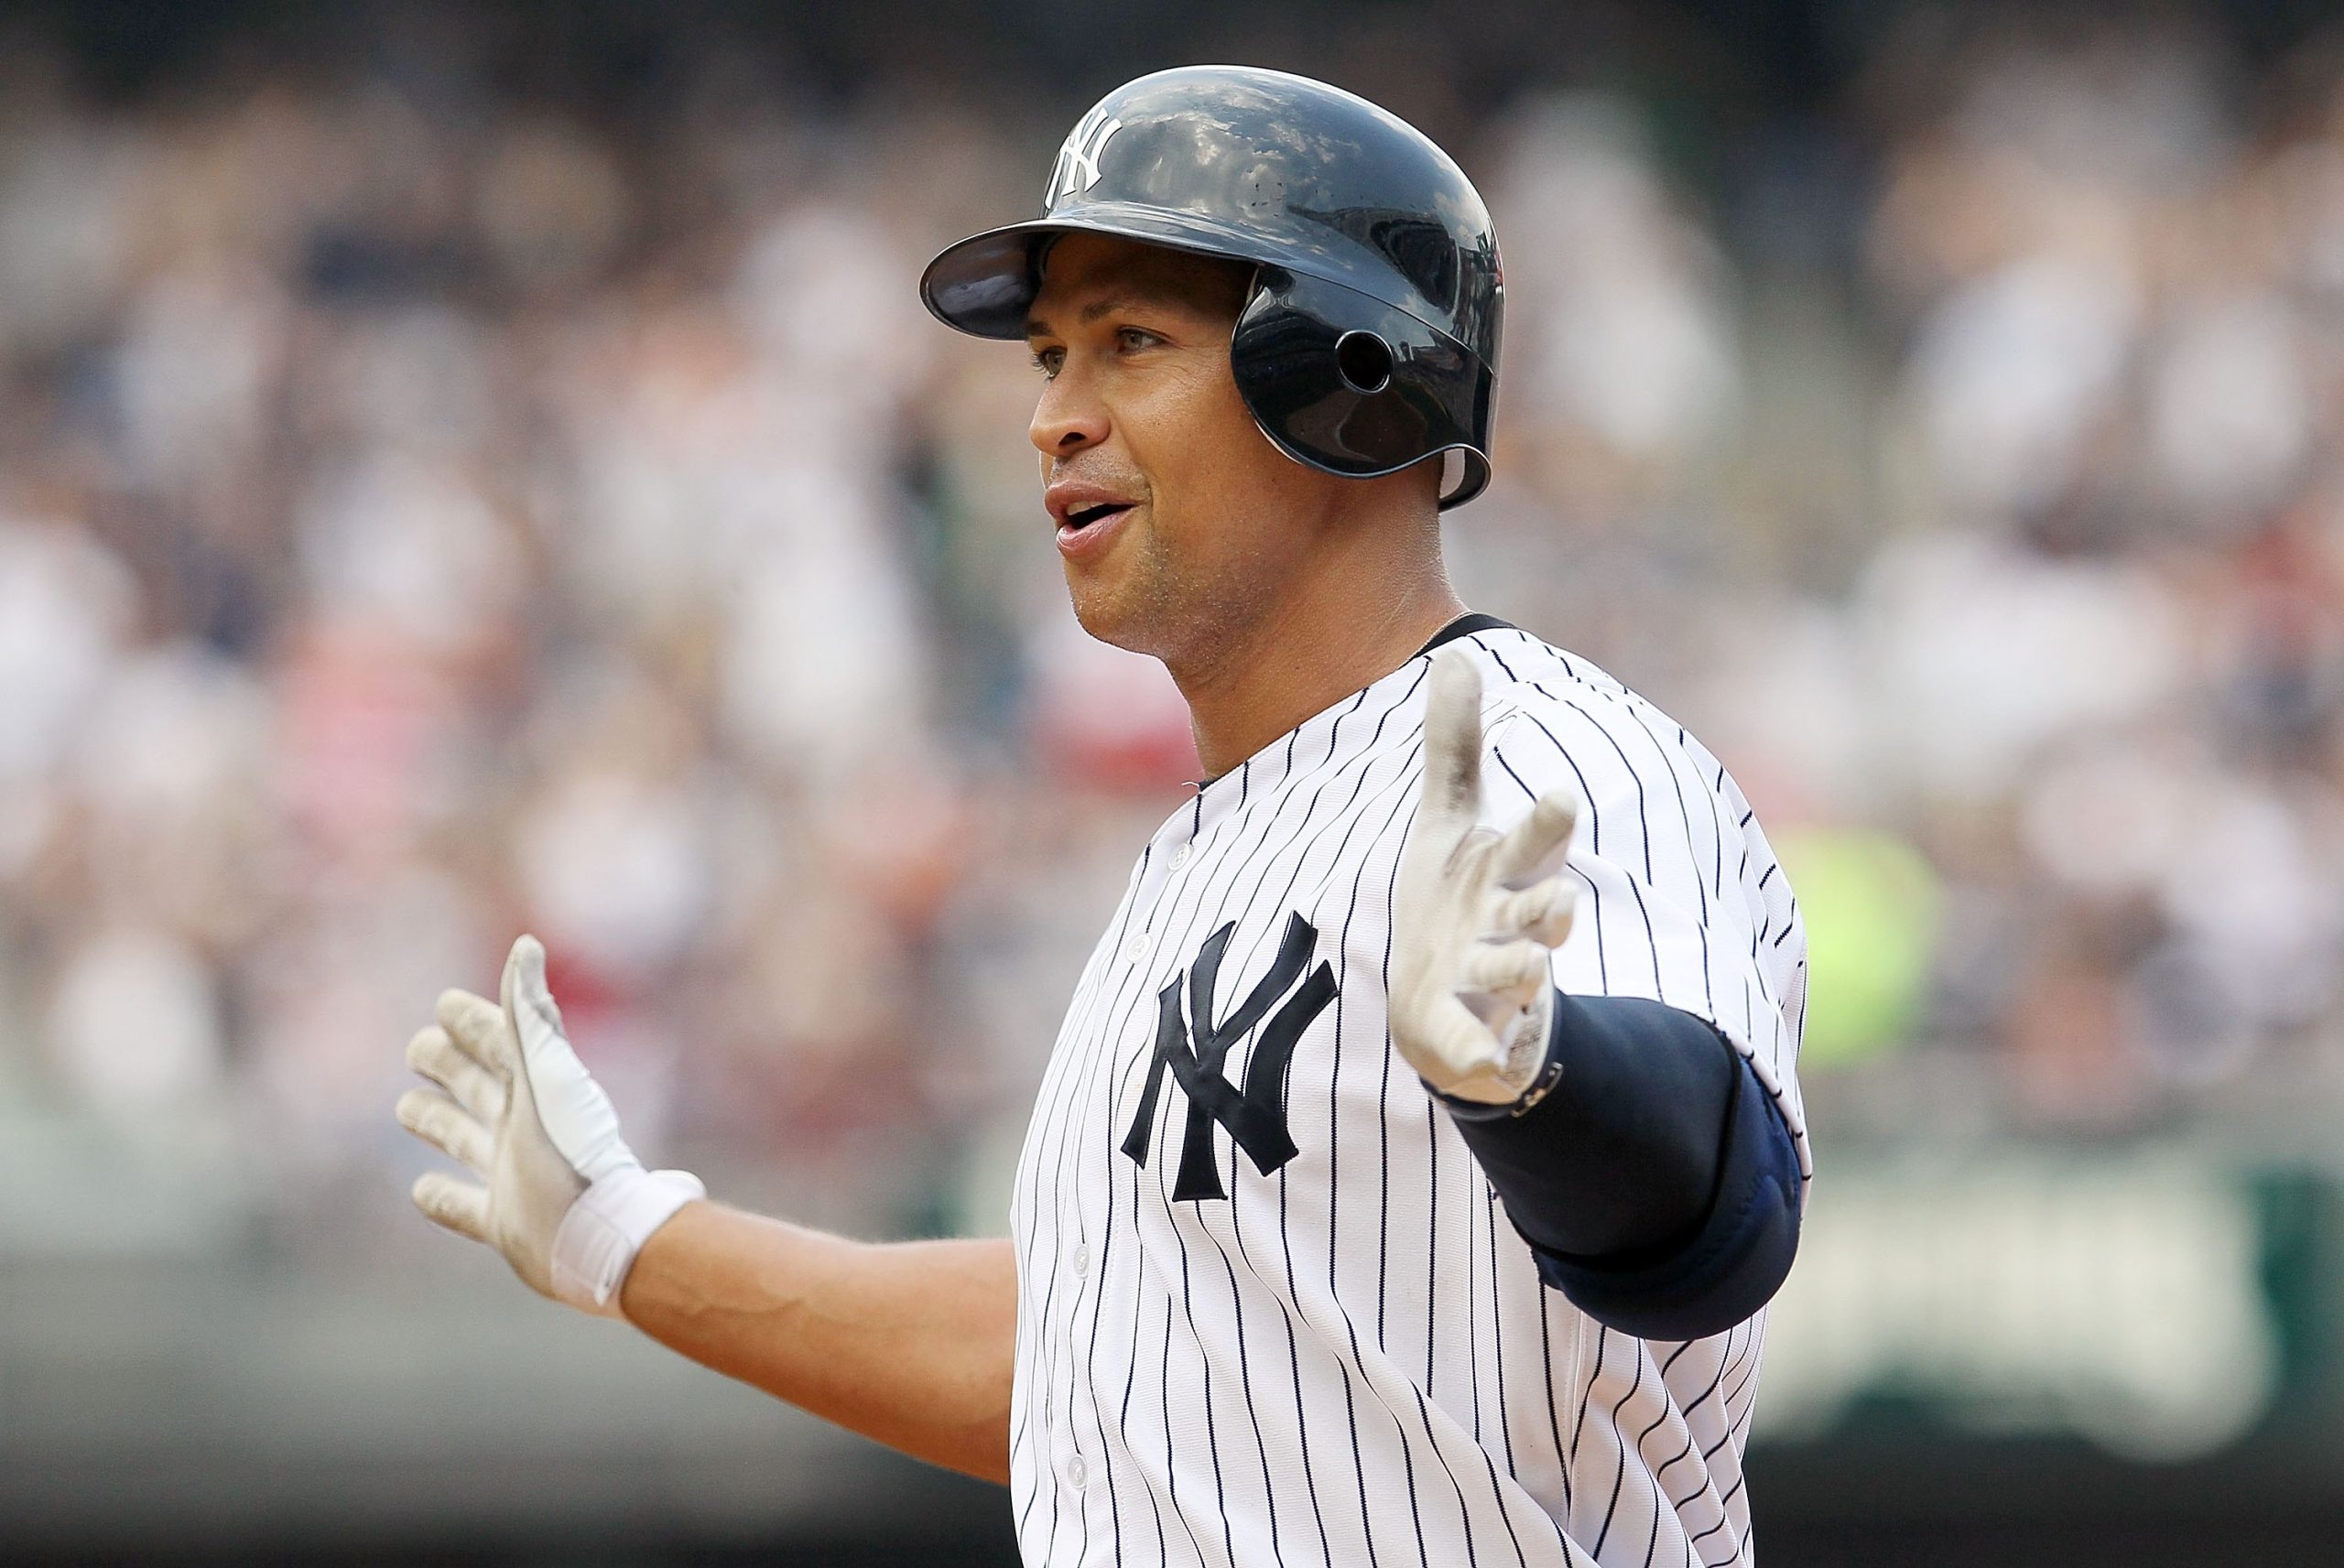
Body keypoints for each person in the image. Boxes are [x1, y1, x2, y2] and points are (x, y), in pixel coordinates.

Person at [396, 66, 1808, 1567]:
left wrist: (1541, 1078)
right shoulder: (1211, 851)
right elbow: (1105, 1370)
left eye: (1130, 342)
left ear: (1350, 371)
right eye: (1049, 359)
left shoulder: (1531, 754)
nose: (1051, 420)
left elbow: (1714, 1220)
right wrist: (628, 1236)